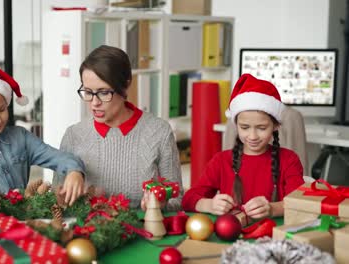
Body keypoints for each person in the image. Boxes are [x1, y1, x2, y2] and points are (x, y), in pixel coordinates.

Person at [0, 58, 85, 205]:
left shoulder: (21, 137)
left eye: (2, 110)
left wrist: (74, 171)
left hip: (22, 221)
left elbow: (57, 157)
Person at [60, 45, 183, 210]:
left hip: (145, 231)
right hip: (88, 232)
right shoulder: (73, 135)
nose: (94, 102)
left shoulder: (159, 132)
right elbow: (57, 200)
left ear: (125, 86)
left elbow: (177, 199)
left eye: (103, 92)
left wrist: (161, 205)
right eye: (88, 92)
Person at [182, 74, 304, 219]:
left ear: (275, 126)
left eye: (262, 128)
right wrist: (209, 204)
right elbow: (188, 199)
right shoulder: (221, 161)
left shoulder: (288, 159)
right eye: (245, 127)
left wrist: (272, 209)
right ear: (236, 125)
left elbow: (300, 203)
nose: (252, 136)